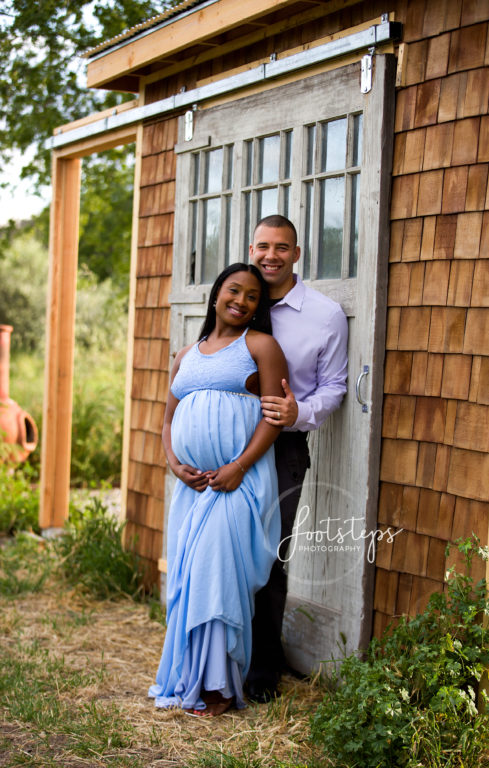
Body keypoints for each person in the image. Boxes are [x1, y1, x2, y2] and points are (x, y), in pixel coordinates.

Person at [150, 263, 288, 716]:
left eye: (253, 296)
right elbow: (168, 420)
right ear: (216, 295)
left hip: (237, 484)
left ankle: (220, 687)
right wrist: (174, 464)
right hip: (193, 488)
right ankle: (192, 677)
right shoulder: (186, 355)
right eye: (235, 290)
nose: (242, 300)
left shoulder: (262, 347)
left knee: (218, 579)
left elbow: (273, 418)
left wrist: (238, 467)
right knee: (192, 578)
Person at [244, 214, 349, 702]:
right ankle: (224, 654)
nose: (271, 256)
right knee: (228, 551)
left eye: (281, 248)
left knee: (269, 557)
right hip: (230, 439)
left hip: (284, 447)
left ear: (297, 254)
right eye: (263, 246)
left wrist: (298, 411)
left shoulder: (324, 316)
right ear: (252, 248)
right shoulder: (237, 299)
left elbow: (335, 387)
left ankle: (264, 669)